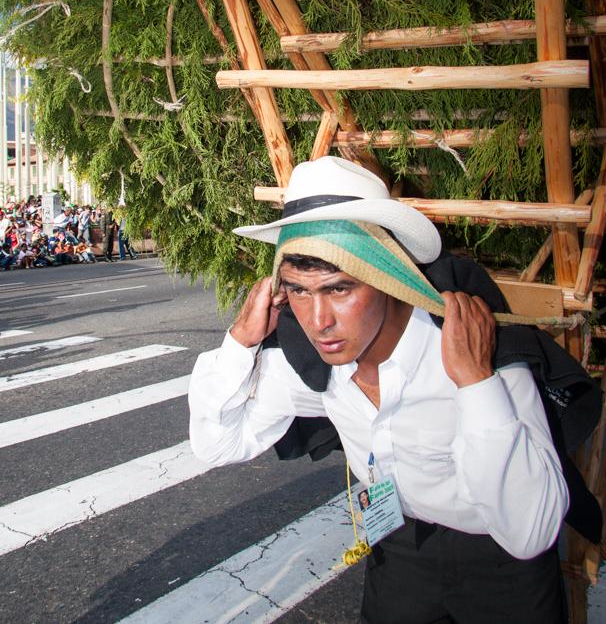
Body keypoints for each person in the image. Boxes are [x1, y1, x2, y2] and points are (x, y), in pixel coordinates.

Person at [188, 156, 597, 624]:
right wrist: (240, 342)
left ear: (389, 280)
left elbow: (531, 532)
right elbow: (215, 442)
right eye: (299, 291)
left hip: (501, 564)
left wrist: (475, 385)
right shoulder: (315, 363)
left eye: (339, 290)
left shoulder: (477, 357)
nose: (318, 321)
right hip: (399, 552)